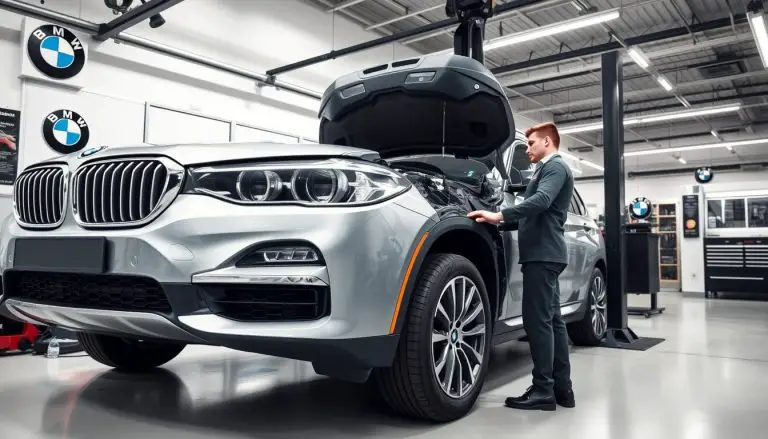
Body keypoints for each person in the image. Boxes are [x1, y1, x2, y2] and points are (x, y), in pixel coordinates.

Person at [467, 122, 575, 411]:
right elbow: (531, 214)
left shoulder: (555, 168)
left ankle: (543, 390)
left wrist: (498, 214)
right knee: (552, 322)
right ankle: (562, 389)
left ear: (548, 142)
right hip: (545, 253)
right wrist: (497, 221)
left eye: (531, 144)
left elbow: (540, 202)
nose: (528, 150)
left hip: (543, 254)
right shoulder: (547, 168)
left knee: (537, 322)